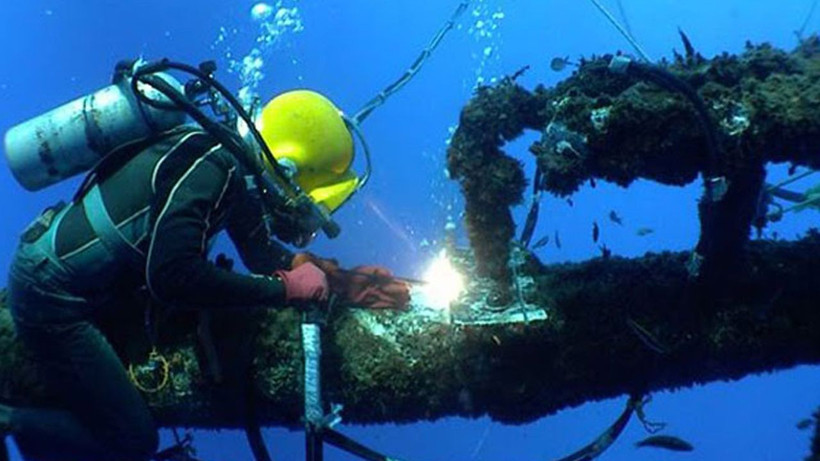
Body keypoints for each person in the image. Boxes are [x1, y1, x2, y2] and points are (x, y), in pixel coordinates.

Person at [2, 89, 409, 461]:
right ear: (287, 165)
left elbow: (260, 252)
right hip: (50, 293)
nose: (296, 210)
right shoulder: (214, 166)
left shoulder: (225, 164)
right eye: (300, 196)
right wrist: (283, 291)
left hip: (89, 280)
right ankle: (9, 418)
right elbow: (171, 275)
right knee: (133, 439)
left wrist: (330, 277)